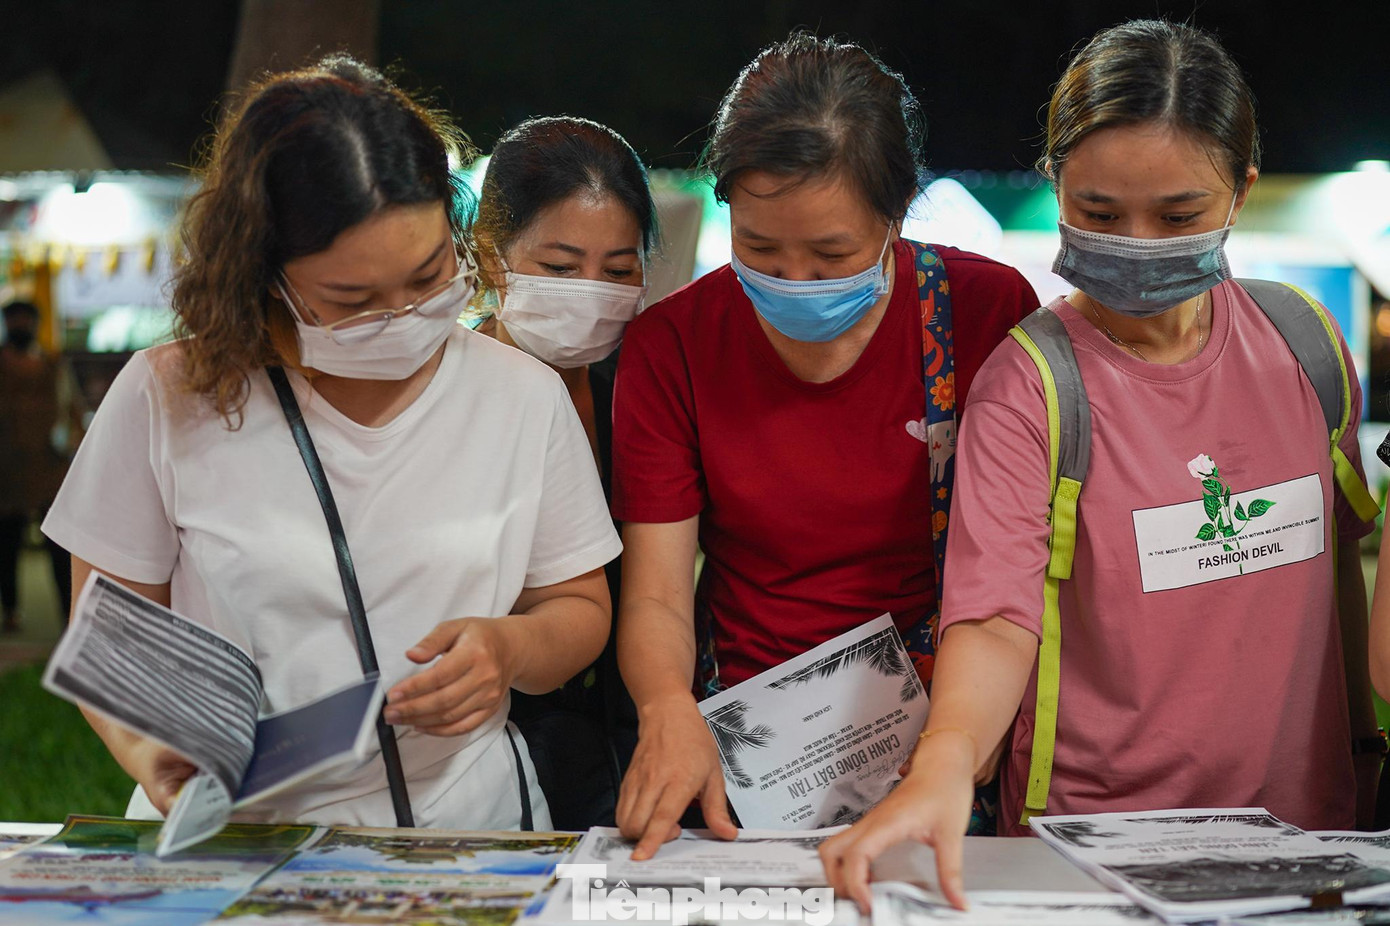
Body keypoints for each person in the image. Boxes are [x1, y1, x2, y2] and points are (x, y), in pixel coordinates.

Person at [820, 20, 1380, 910]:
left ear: (1242, 189)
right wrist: (947, 762)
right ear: (1057, 188)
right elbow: (995, 620)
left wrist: (1368, 754)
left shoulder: (1306, 346)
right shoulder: (1032, 387)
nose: (1137, 241)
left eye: (1178, 216)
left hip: (1306, 844)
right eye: (1099, 213)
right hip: (1091, 856)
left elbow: (1342, 573)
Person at [41, 55, 621, 830]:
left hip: (465, 828)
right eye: (353, 300)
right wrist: (151, 749)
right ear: (262, 276)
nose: (404, 316)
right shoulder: (168, 395)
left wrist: (508, 649)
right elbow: (109, 629)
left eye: (427, 277)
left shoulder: (521, 394)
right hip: (238, 836)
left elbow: (578, 606)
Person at [610, 32, 1038, 858]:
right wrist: (668, 708)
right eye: (760, 251)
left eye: (832, 254)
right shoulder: (676, 344)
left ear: (899, 210)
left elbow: (1009, 579)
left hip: (942, 726)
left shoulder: (984, 312)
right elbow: (659, 592)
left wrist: (954, 749)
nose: (794, 281)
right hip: (745, 741)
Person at [468, 115, 655, 826]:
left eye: (618, 270)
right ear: (491, 254)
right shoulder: (445, 395)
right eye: (560, 267)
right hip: (488, 740)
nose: (590, 291)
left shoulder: (640, 392)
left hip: (627, 735)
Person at [0, 300, 79, 631]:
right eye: (14, 319)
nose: (21, 324)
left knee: (60, 547)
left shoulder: (53, 363)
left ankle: (68, 613)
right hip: (8, 469)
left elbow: (72, 407)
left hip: (50, 467)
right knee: (7, 545)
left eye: (26, 318)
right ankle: (12, 613)